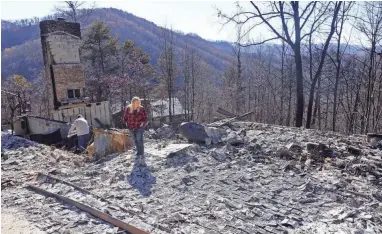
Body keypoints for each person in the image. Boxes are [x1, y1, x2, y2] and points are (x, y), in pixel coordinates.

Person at [124, 97, 148, 162]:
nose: (138, 103)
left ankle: (141, 153)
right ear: (133, 102)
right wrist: (126, 123)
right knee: (135, 140)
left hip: (139, 127)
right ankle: (138, 152)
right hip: (130, 127)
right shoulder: (128, 108)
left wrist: (143, 123)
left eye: (139, 102)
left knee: (139, 139)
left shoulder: (141, 109)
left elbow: (145, 117)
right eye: (137, 102)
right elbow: (125, 117)